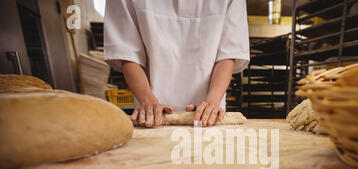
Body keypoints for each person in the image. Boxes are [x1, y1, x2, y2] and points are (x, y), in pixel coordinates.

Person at [104, 0, 250, 127]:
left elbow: (227, 53)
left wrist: (212, 99)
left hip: (209, 112)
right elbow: (127, 52)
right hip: (150, 113)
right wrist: (147, 100)